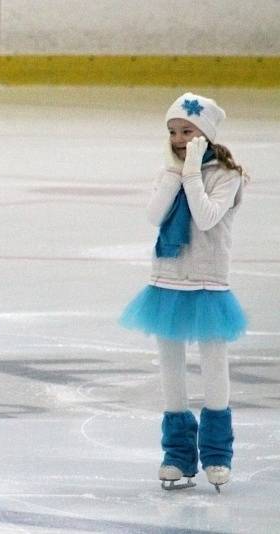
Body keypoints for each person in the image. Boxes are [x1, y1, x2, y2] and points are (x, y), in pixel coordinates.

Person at [120, 93, 247, 492]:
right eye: (173, 131)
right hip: (168, 280)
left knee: (213, 366)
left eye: (186, 131)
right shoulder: (169, 172)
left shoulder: (228, 176)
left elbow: (208, 217)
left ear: (205, 134)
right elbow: (154, 216)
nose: (177, 138)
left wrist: (193, 174)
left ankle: (217, 453)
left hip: (208, 281)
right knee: (170, 369)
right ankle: (177, 454)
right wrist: (177, 174)